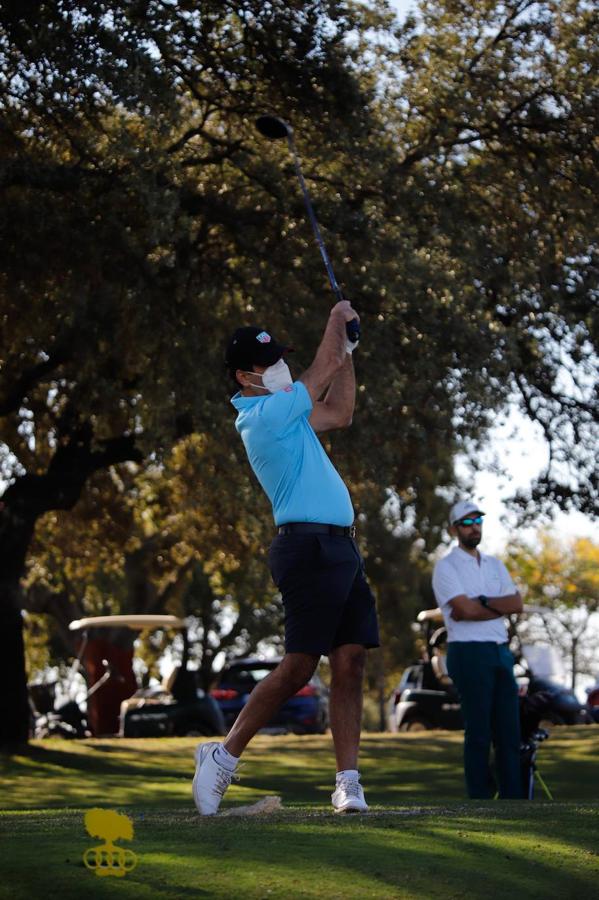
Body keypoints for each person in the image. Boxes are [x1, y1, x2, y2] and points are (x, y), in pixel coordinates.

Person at [192, 300, 379, 815]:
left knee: (351, 659)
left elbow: (340, 411)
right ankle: (222, 759)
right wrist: (334, 326)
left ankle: (348, 782)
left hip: (341, 546)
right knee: (300, 666)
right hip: (305, 546)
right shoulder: (262, 418)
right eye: (270, 362)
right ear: (244, 376)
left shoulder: (290, 414)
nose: (280, 368)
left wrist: (351, 353)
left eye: (281, 359)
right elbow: (320, 373)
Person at [432, 500, 524, 799]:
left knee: (509, 733)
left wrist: (481, 602)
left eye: (478, 521)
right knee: (479, 733)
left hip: (500, 650)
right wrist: (494, 605)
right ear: (454, 529)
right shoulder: (446, 567)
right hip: (468, 652)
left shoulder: (496, 564)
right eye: (467, 523)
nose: (474, 527)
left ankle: (514, 800)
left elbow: (517, 604)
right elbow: (463, 610)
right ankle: (480, 801)